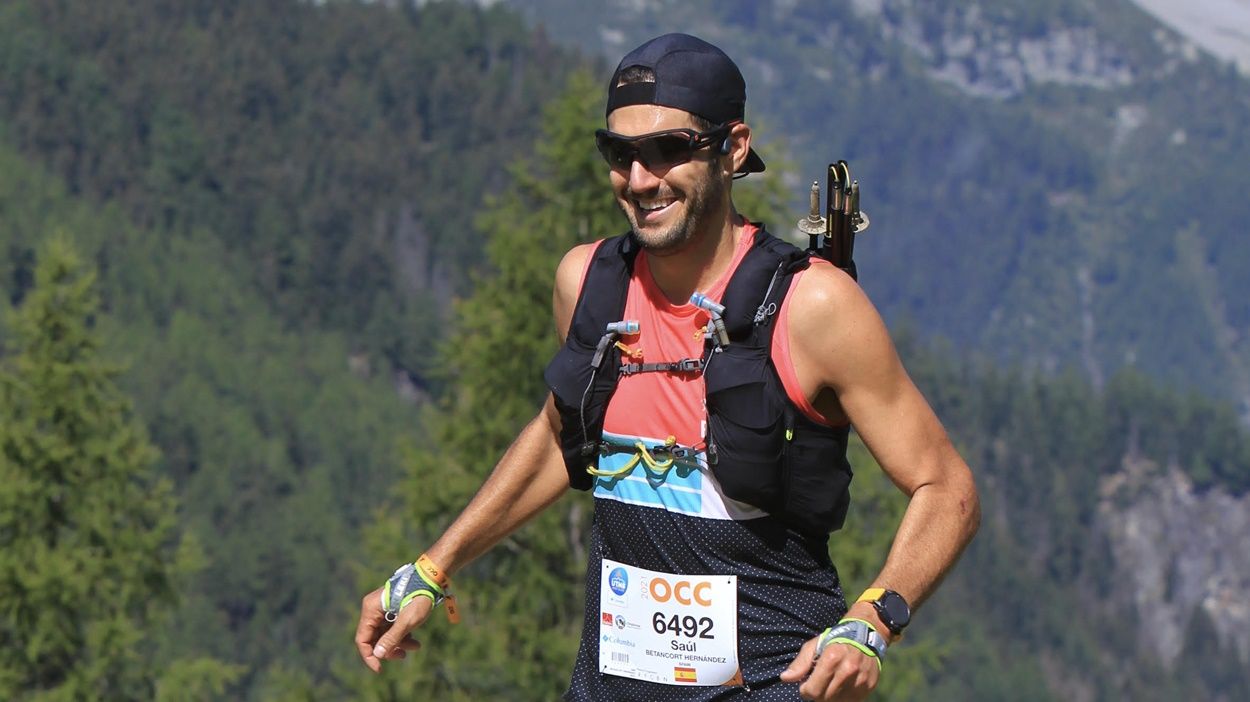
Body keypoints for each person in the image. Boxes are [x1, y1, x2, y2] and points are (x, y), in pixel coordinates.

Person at [355, 33, 980, 702]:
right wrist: (432, 568)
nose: (642, 178)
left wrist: (872, 621)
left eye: (670, 149)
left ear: (733, 148)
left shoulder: (812, 305)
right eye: (620, 154)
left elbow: (947, 488)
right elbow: (558, 440)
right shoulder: (588, 285)